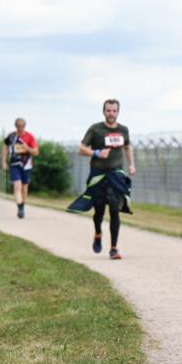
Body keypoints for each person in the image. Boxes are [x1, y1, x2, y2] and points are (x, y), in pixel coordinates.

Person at [68, 99, 135, 259]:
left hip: (116, 174)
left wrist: (132, 164)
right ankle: (98, 233)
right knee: (98, 211)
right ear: (104, 111)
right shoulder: (95, 129)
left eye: (114, 111)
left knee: (114, 209)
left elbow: (127, 146)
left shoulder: (123, 130)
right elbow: (81, 149)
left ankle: (114, 249)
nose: (111, 113)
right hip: (98, 175)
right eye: (108, 110)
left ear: (118, 112)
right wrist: (96, 153)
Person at [2, 118, 40, 218]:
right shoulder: (11, 136)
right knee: (17, 186)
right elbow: (5, 147)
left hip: (26, 165)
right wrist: (4, 162)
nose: (20, 128)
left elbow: (36, 152)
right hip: (14, 165)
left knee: (24, 188)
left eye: (22, 126)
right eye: (18, 126)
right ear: (16, 126)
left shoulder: (30, 136)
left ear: (24, 126)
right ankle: (20, 208)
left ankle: (22, 205)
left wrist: (27, 148)